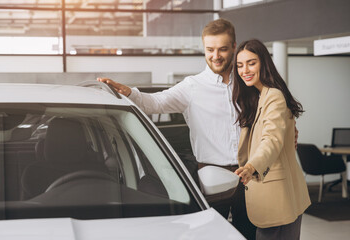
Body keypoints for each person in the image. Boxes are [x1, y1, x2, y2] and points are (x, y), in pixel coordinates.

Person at [98, 18, 257, 239]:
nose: (216, 55)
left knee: (249, 235)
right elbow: (156, 102)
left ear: (233, 47)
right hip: (212, 178)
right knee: (214, 235)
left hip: (250, 177)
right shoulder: (192, 86)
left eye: (222, 49)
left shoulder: (250, 83)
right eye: (210, 49)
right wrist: (129, 93)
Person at [233, 39, 311, 240]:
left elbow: (271, 140)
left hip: (279, 196)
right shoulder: (257, 97)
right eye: (240, 65)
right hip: (268, 196)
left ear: (264, 63)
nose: (245, 70)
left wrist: (252, 166)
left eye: (251, 63)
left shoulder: (273, 96)